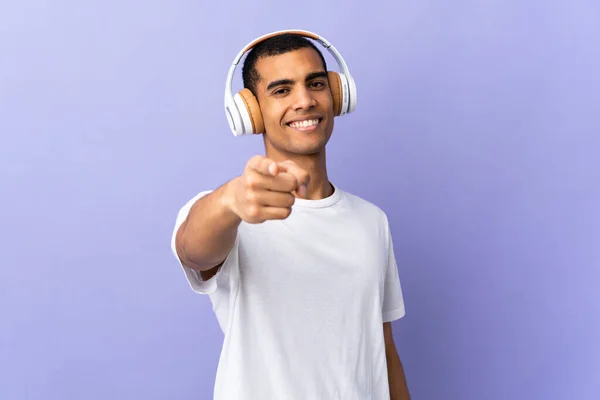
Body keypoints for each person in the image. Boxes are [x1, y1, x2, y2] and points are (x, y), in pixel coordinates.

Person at [171, 30, 410, 400]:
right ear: (251, 112)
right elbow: (193, 250)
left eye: (315, 84)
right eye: (282, 90)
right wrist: (229, 201)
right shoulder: (233, 211)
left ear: (336, 94)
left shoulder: (371, 221)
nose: (304, 101)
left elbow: (384, 350)